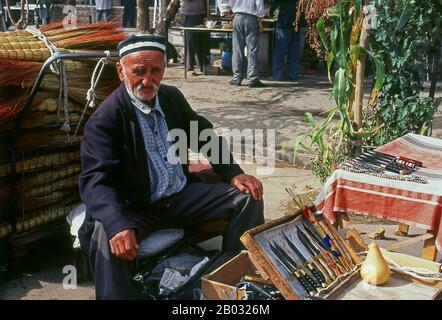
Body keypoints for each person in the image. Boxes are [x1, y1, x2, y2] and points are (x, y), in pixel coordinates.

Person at [78, 34, 265, 300]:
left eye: (156, 70)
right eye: (139, 71)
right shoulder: (106, 119)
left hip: (180, 198)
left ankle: (233, 276)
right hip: (138, 209)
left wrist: (233, 172)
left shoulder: (170, 97)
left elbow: (203, 136)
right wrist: (117, 223)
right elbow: (95, 179)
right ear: (121, 71)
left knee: (248, 197)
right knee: (104, 233)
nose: (148, 80)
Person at [218, 0, 266, 88]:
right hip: (251, 18)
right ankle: (253, 78)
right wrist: (260, 19)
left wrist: (226, 12)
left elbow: (221, 1)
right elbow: (259, 3)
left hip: (237, 17)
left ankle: (237, 77)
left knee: (237, 50)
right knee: (252, 50)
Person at [269, 0, 301, 81]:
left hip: (285, 20)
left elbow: (275, 2)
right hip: (297, 21)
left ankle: (277, 74)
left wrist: (271, 12)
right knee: (294, 50)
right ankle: (293, 74)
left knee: (280, 49)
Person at [181, 0, 207, 77]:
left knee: (200, 41)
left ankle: (202, 66)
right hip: (189, 13)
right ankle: (190, 67)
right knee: (190, 41)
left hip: (199, 13)